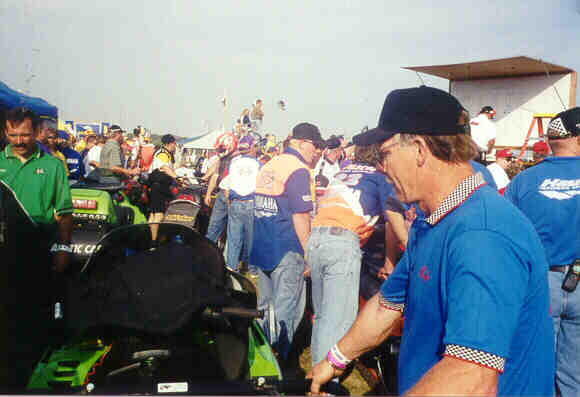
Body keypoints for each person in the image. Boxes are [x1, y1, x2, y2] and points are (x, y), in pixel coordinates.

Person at [308, 86, 554, 396]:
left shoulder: (482, 236)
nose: (381, 169)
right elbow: (388, 305)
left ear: (420, 150)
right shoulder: (432, 222)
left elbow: (471, 377)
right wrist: (336, 358)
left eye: (385, 155)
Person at [505, 107, 580, 397]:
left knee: (536, 371)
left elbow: (506, 237)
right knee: (574, 377)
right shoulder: (523, 180)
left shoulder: (524, 181)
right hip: (567, 279)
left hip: (539, 284)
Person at [306, 143, 402, 368]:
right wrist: (390, 263)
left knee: (322, 315)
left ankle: (315, 370)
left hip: (317, 237)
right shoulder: (379, 177)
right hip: (342, 241)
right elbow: (391, 222)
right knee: (337, 320)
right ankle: (324, 383)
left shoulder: (342, 171)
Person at [0, 107, 73, 388]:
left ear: (37, 133)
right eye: (13, 135)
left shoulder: (53, 165)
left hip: (38, 250)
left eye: (25, 135)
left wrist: (63, 249)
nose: (19, 141)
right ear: (5, 132)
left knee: (34, 320)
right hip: (4, 251)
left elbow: (64, 211)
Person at [251, 122, 324, 362]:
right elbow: (301, 216)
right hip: (287, 248)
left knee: (264, 309)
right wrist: (310, 254)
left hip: (263, 246)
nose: (317, 152)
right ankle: (279, 364)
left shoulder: (269, 164)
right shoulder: (298, 169)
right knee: (286, 311)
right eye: (316, 146)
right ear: (303, 143)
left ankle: (259, 358)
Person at [226, 135, 260, 273]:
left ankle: (231, 268)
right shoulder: (258, 164)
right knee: (251, 239)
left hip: (235, 203)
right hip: (251, 203)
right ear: (252, 147)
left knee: (234, 240)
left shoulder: (233, 163)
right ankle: (252, 269)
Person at [148, 134, 178, 240]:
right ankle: (154, 241)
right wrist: (177, 177)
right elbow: (165, 168)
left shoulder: (167, 154)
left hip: (157, 187)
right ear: (169, 144)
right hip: (159, 187)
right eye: (175, 143)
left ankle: (151, 238)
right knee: (158, 215)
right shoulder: (162, 154)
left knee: (153, 214)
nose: (175, 146)